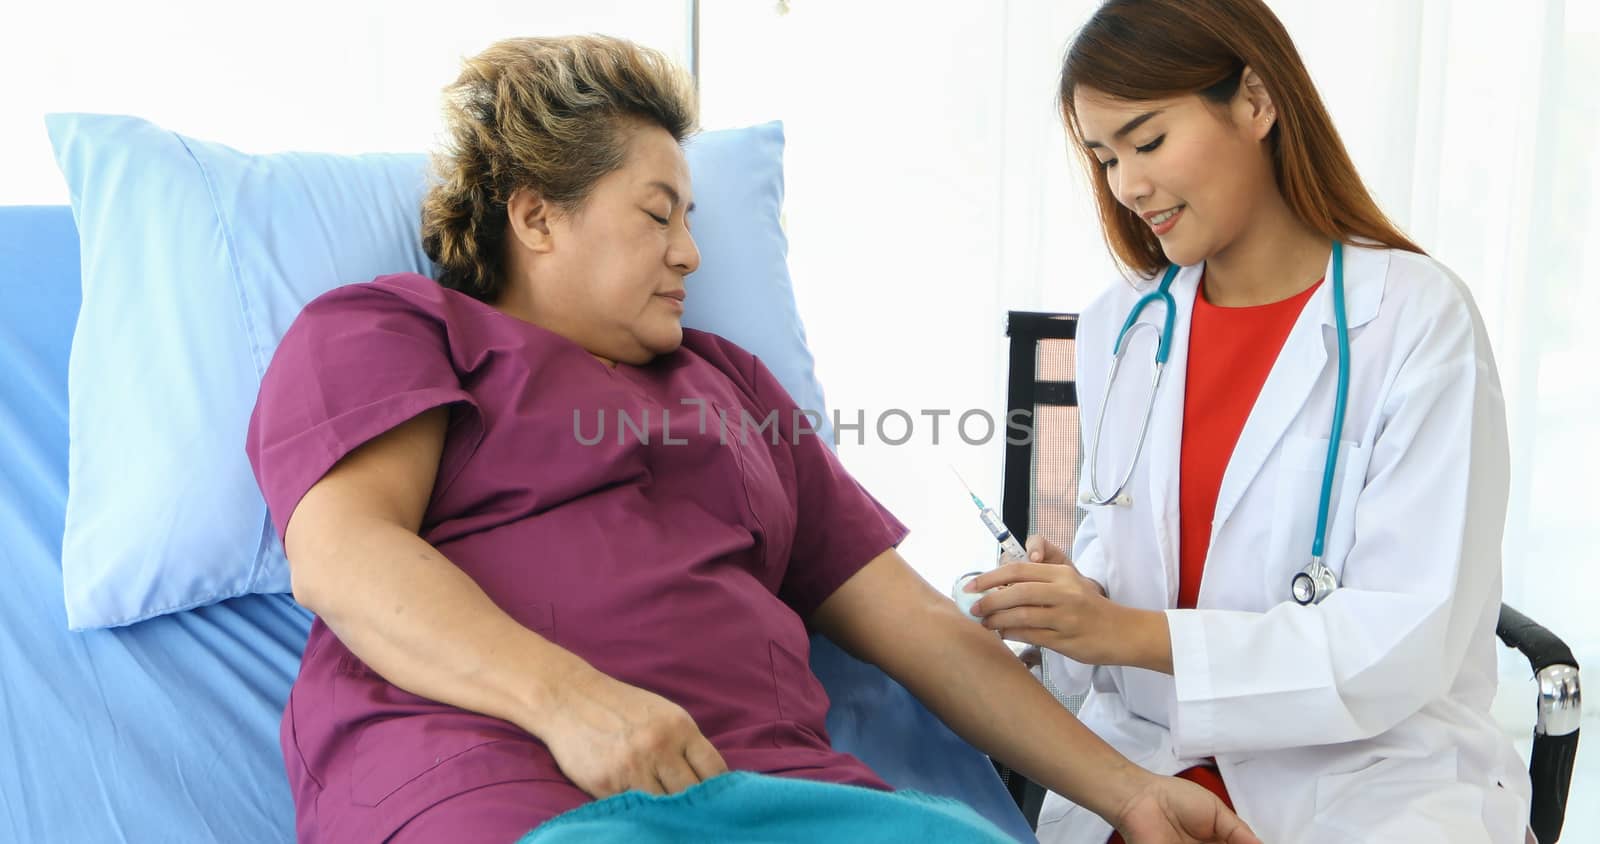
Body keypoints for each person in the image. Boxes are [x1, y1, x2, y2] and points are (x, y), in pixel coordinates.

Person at [246, 35, 1259, 844]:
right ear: (536, 215)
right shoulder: (397, 328)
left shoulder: (728, 382)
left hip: (783, 796)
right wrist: (572, 703)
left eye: (691, 216)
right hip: (505, 781)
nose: (690, 252)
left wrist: (1131, 793)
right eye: (657, 215)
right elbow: (342, 552)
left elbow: (919, 629)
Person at [964, 1, 1533, 842]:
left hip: (1366, 778)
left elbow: (1401, 639)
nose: (1127, 185)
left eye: (1147, 141)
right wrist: (1075, 599)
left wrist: (1126, 631)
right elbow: (1121, 547)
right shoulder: (1118, 328)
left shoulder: (1417, 320)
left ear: (1257, 101)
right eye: (1104, 156)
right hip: (1152, 762)